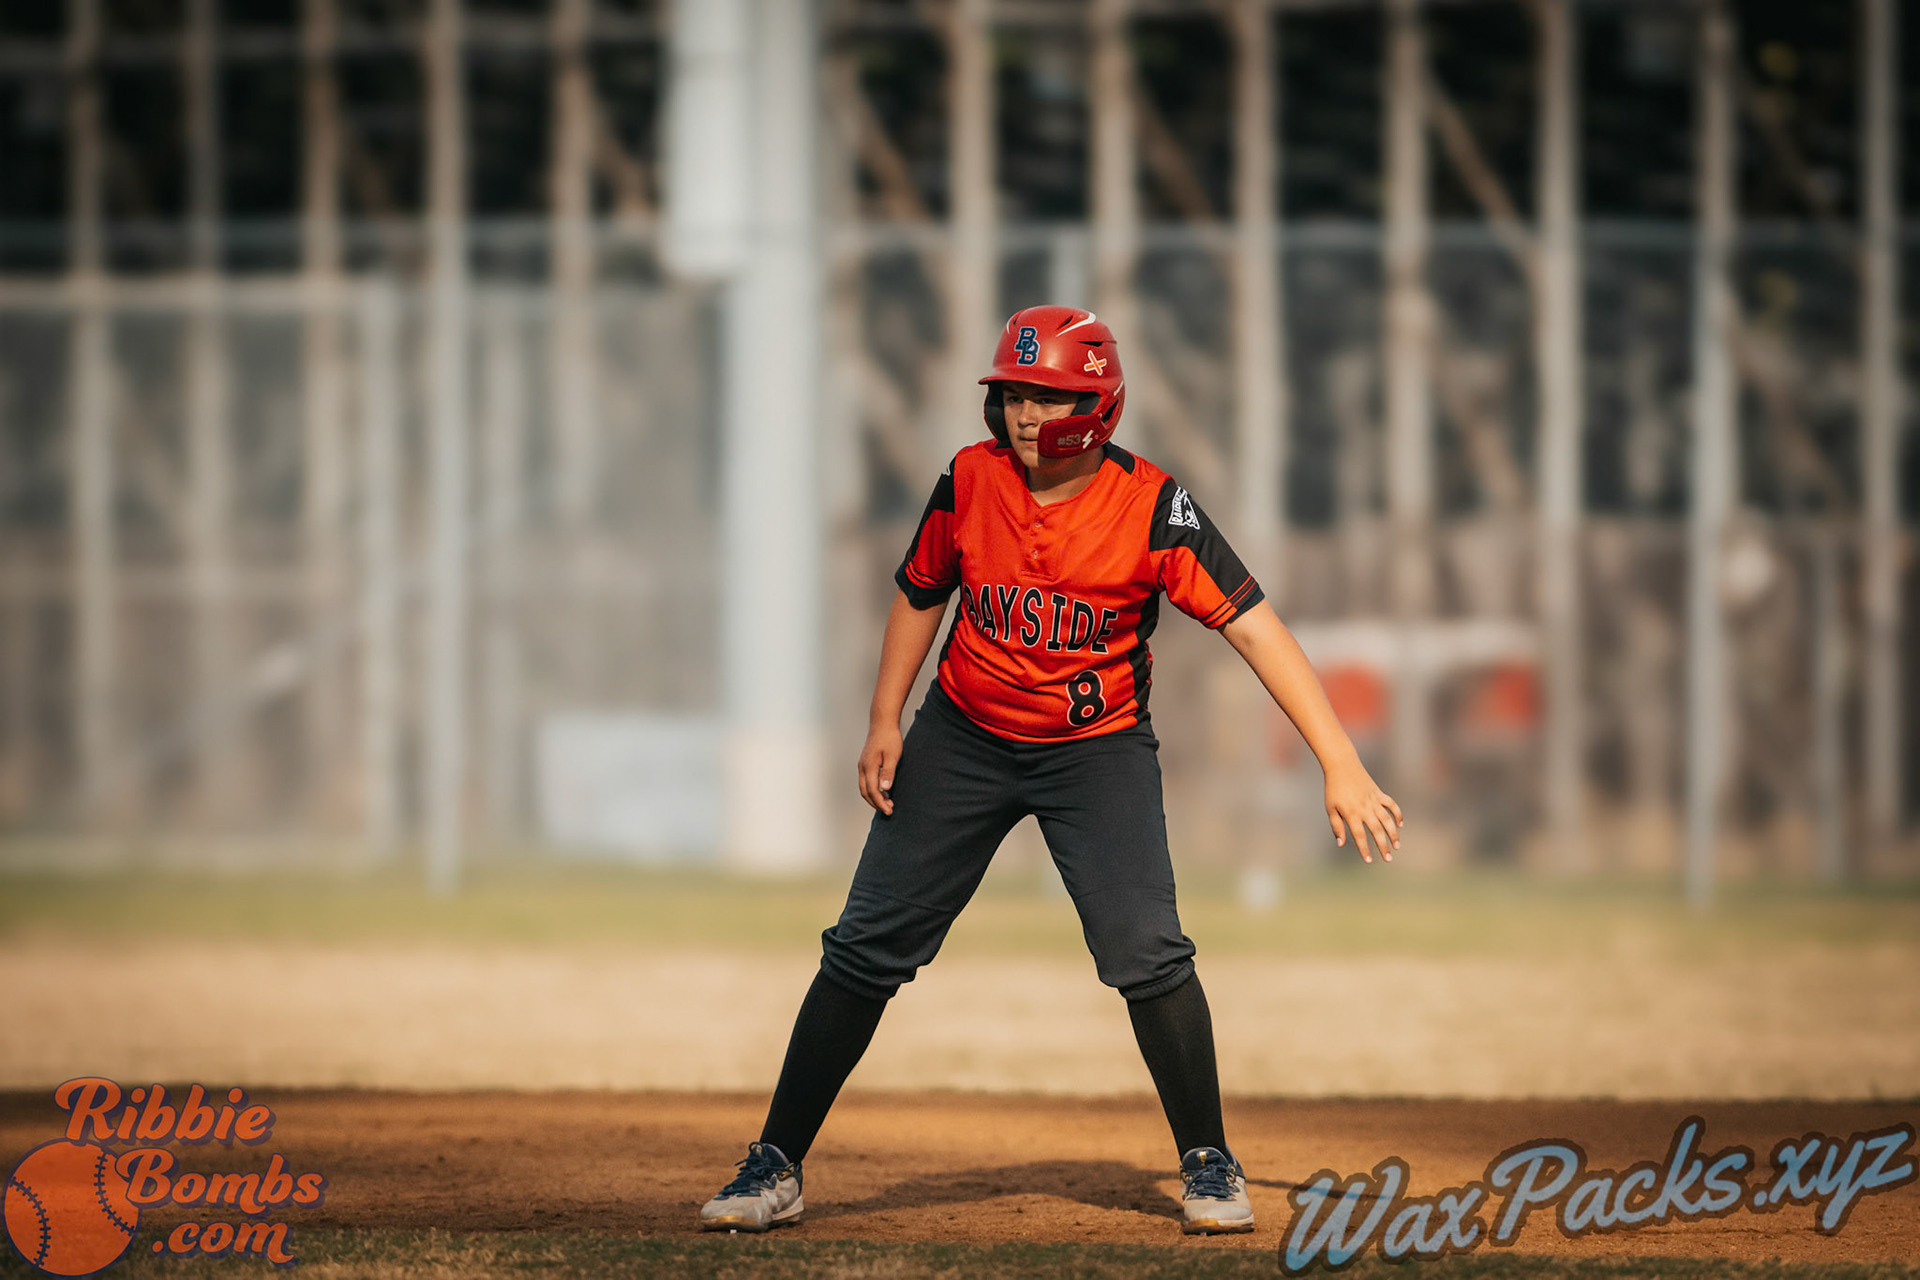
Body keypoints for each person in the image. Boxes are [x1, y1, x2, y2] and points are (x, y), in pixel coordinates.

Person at [698, 305, 1402, 1236]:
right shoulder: (970, 477)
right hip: (965, 733)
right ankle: (774, 1162)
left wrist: (1340, 761)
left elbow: (1253, 624)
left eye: (1050, 395)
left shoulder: (1151, 504)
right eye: (1015, 395)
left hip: (1096, 752)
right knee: (864, 947)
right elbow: (920, 592)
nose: (1027, 415)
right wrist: (884, 718)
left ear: (1098, 404)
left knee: (1148, 952)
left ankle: (1208, 1159)